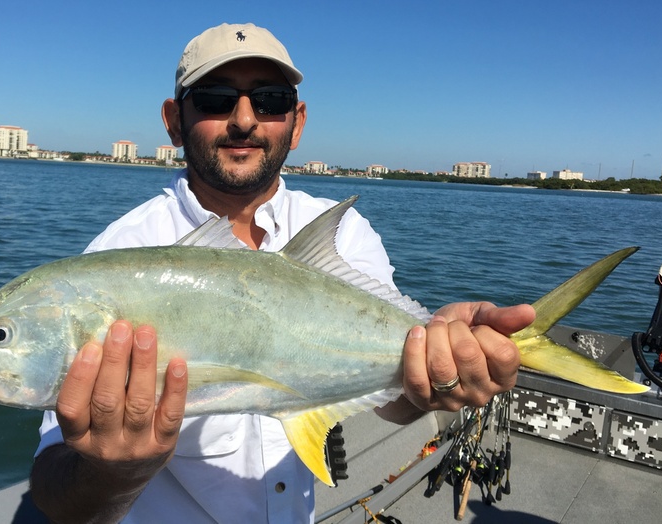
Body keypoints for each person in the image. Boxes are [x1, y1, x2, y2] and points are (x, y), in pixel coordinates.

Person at [29, 22, 535, 523]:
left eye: (269, 101)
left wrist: (435, 373)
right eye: (214, 99)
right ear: (173, 120)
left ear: (297, 121)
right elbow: (56, 496)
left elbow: (392, 406)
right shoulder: (121, 253)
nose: (244, 120)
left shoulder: (343, 231)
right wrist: (113, 470)